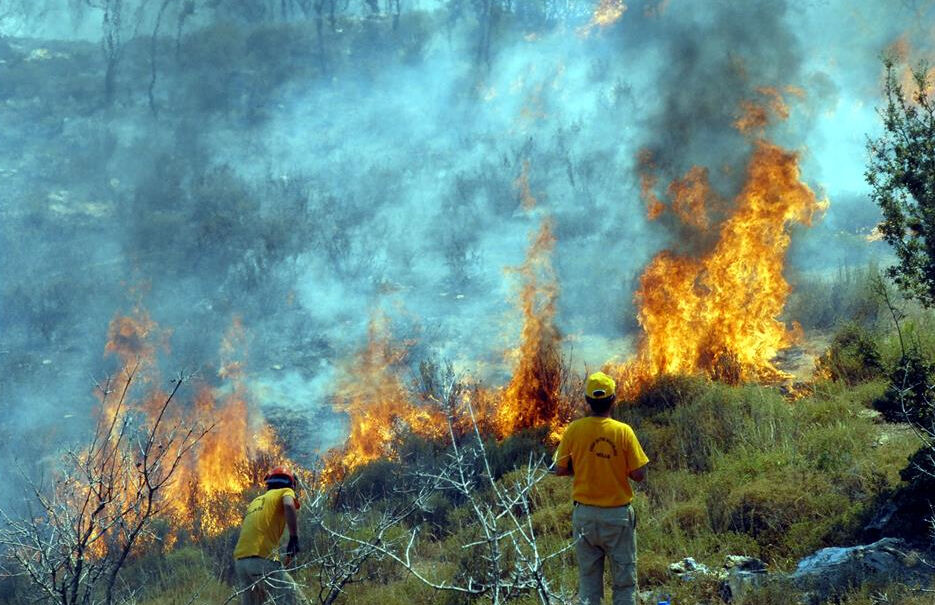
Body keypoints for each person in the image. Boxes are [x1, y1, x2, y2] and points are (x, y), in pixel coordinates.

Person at [554, 372, 649, 605]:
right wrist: (615, 466)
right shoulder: (623, 431)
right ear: (613, 399)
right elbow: (639, 475)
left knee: (589, 583)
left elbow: (559, 469)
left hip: (584, 517)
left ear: (587, 401)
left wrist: (586, 466)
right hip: (617, 518)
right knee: (624, 583)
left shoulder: (574, 430)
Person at [233, 467, 302, 605]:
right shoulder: (285, 491)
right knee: (295, 600)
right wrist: (294, 538)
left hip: (241, 562)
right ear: (290, 483)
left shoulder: (256, 501)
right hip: (261, 559)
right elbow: (289, 505)